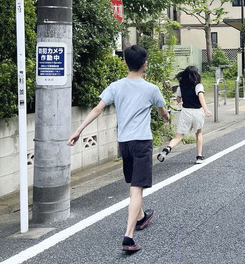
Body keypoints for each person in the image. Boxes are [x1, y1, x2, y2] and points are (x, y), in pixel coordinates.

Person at [67, 45, 169, 253]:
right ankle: (128, 237)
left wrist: (78, 130)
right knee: (137, 187)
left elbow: (98, 108)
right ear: (145, 65)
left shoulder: (115, 86)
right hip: (141, 142)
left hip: (124, 143)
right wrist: (165, 117)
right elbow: (162, 112)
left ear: (125, 63)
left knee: (133, 182)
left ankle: (141, 217)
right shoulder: (151, 89)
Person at [157, 65, 212, 165]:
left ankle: (167, 148)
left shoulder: (181, 86)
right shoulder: (198, 85)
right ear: (196, 75)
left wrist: (180, 98)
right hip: (197, 112)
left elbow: (178, 100)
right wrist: (206, 110)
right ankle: (199, 156)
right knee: (198, 133)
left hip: (186, 112)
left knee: (179, 136)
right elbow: (201, 97)